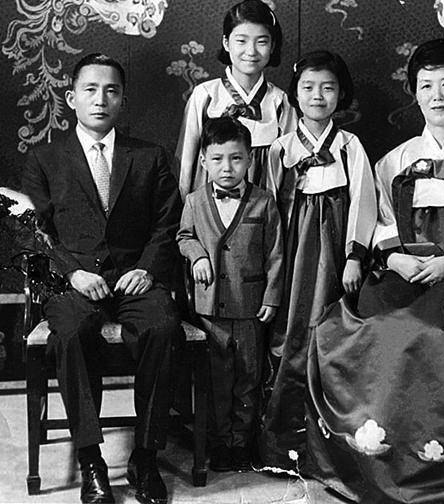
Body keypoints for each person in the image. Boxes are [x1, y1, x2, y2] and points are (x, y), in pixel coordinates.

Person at [306, 39, 444, 503]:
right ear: (415, 93)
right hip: (408, 273)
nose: (437, 96)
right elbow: (382, 222)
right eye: (426, 86)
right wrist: (394, 258)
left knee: (429, 335)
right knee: (366, 330)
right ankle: (380, 466)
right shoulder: (395, 160)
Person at [22, 53, 182, 504]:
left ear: (122, 99)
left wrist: (146, 268)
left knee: (162, 327)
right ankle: (91, 460)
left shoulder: (149, 156)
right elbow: (36, 232)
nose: (100, 99)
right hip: (73, 280)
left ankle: (145, 457)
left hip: (134, 276)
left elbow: (167, 222)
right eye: (90, 90)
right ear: (71, 97)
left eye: (111, 91)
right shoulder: (44, 159)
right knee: (72, 333)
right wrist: (71, 272)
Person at [260, 50, 377, 469]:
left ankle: (333, 444)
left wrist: (354, 257)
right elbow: (268, 209)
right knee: (291, 331)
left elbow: (364, 202)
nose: (317, 96)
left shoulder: (349, 146)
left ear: (340, 94)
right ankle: (286, 441)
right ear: (295, 93)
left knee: (331, 332)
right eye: (308, 87)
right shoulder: (280, 149)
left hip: (335, 253)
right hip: (292, 254)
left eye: (328, 88)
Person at [177, 117, 284, 472]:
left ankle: (242, 443)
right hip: (209, 309)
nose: (227, 168)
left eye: (236, 158)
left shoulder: (264, 202)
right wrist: (197, 255)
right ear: (203, 161)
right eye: (218, 159)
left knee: (248, 378)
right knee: (216, 379)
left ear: (250, 159)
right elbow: (184, 236)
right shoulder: (194, 201)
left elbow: (275, 255)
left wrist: (271, 297)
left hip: (250, 307)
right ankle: (220, 442)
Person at [175, 0, 296, 201]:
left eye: (261, 42)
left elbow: (289, 168)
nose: (251, 51)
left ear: (272, 46)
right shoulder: (205, 95)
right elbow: (185, 163)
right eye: (241, 41)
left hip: (261, 209)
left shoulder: (280, 102)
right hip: (209, 206)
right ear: (226, 43)